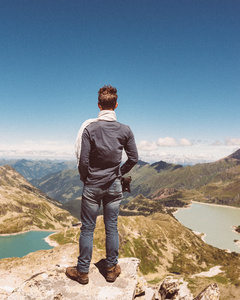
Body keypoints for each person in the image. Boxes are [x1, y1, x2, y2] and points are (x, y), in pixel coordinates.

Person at [66, 85, 138, 284]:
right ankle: (111, 269)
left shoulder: (90, 129)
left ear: (98, 105)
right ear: (116, 105)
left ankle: (82, 272)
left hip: (92, 185)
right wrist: (118, 173)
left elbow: (83, 161)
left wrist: (86, 178)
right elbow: (134, 158)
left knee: (87, 228)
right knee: (111, 226)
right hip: (114, 185)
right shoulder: (125, 130)